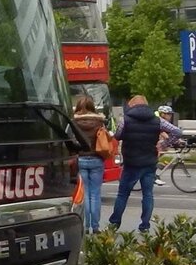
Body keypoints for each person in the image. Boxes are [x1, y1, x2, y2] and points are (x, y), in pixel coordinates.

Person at [108, 95, 184, 233]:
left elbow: (117, 135)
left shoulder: (125, 120)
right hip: (149, 162)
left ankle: (114, 223)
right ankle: (145, 226)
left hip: (131, 162)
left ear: (132, 105)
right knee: (148, 194)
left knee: (123, 194)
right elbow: (177, 132)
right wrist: (163, 144)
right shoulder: (157, 120)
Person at [71, 94, 106, 234]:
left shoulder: (73, 122)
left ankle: (85, 227)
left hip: (80, 159)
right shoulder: (99, 122)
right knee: (95, 193)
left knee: (84, 194)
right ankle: (95, 227)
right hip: (96, 159)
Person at [154, 105, 183, 186]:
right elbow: (163, 133)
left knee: (163, 149)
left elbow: (168, 133)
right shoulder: (159, 120)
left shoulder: (165, 122)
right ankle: (153, 175)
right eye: (168, 114)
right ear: (162, 114)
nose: (170, 116)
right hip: (152, 142)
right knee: (159, 149)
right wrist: (171, 141)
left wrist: (178, 140)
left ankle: (156, 167)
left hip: (156, 140)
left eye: (171, 114)